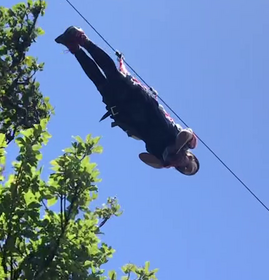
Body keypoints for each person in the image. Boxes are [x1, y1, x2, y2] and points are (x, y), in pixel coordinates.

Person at [55, 26, 200, 175]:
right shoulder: (187, 144)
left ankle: (74, 48)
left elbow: (143, 157)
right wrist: (177, 149)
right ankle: (82, 39)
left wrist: (163, 163)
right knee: (111, 72)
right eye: (189, 166)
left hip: (123, 111)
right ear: (191, 157)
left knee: (99, 80)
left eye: (184, 170)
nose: (184, 167)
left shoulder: (162, 157)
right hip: (141, 102)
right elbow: (187, 133)